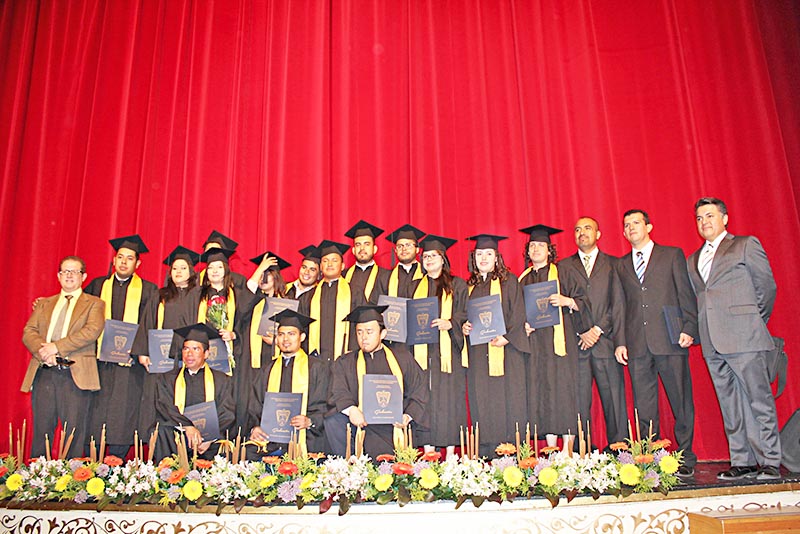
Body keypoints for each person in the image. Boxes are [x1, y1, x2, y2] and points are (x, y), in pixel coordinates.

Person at [688, 197, 781, 480]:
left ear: (725, 218)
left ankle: (769, 460)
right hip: (712, 342)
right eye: (700, 218)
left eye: (710, 216)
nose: (705, 222)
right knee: (729, 403)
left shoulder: (744, 244)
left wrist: (752, 320)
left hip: (745, 337)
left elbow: (766, 286)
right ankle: (741, 460)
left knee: (758, 400)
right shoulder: (694, 259)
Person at [616, 209, 698, 478]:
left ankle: (685, 454)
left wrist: (689, 327)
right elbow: (620, 306)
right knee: (644, 404)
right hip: (637, 344)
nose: (631, 228)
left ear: (649, 227)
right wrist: (620, 341)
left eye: (636, 223)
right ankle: (651, 457)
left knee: (680, 400)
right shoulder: (621, 264)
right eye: (626, 225)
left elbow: (685, 292)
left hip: (671, 338)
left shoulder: (671, 254)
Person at [22, 256, 105, 459]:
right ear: (58, 276)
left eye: (74, 271)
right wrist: (44, 352)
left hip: (74, 374)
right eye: (64, 271)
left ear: (83, 276)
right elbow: (29, 331)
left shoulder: (95, 304)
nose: (69, 275)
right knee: (42, 429)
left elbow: (91, 331)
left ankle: (70, 484)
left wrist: (56, 348)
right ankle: (39, 480)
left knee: (74, 432)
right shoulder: (44, 303)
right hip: (45, 373)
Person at [84, 235, 158, 458]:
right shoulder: (97, 286)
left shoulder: (149, 290)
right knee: (96, 412)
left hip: (130, 364)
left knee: (123, 412)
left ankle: (116, 462)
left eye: (130, 258)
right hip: (99, 363)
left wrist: (137, 351)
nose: (124, 262)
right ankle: (91, 463)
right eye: (120, 258)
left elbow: (150, 324)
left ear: (138, 264)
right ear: (114, 260)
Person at [559, 217, 628, 449]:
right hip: (577, 345)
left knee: (614, 401)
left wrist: (597, 330)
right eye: (577, 229)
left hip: (606, 342)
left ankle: (620, 450)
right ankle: (582, 453)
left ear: (598, 234)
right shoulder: (563, 266)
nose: (582, 233)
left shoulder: (614, 264)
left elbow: (617, 305)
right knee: (578, 401)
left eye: (587, 228)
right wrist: (581, 332)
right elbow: (561, 308)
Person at [327, 305, 429, 458]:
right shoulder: (345, 362)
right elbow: (338, 391)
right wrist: (352, 410)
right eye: (359, 332)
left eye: (369, 332)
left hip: (393, 426)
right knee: (333, 421)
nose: (364, 338)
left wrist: (407, 416)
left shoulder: (403, 358)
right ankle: (350, 471)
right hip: (360, 424)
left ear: (383, 334)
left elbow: (419, 390)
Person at [461, 234, 528, 457]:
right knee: (482, 401)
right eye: (479, 254)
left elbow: (519, 314)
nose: (483, 258)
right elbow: (464, 317)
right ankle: (486, 455)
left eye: (488, 254)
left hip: (507, 353)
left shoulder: (510, 282)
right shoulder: (469, 286)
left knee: (509, 402)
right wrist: (465, 327)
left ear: (497, 257)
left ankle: (511, 456)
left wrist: (507, 338)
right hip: (479, 355)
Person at [517, 225, 587, 439]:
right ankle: (550, 449)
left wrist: (567, 301)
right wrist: (524, 326)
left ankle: (566, 450)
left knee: (564, 394)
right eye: (532, 246)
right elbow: (515, 313)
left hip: (561, 345)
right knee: (541, 394)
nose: (536, 249)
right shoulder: (522, 279)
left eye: (540, 245)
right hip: (536, 346)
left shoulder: (564, 272)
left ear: (549, 250)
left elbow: (584, 301)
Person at [131, 246, 202, 437]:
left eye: (183, 268)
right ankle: (158, 442)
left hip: (186, 358)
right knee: (159, 400)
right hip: (161, 357)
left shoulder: (199, 296)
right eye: (175, 268)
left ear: (191, 272)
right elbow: (147, 322)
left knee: (184, 399)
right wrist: (143, 352)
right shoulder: (160, 295)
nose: (178, 272)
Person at [412, 235, 468, 455]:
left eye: (433, 256)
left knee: (449, 401)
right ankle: (428, 452)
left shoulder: (457, 285)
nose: (428, 260)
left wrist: (450, 323)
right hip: (422, 354)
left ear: (443, 258)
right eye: (425, 256)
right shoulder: (414, 286)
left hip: (448, 354)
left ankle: (452, 455)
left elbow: (465, 313)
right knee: (424, 401)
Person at [246, 310, 330, 457]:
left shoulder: (317, 367)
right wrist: (255, 427)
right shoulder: (267, 369)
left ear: (302, 337)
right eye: (281, 334)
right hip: (271, 439)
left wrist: (310, 421)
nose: (285, 339)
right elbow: (255, 405)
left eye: (291, 334)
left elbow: (325, 405)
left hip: (307, 436)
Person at [153, 323, 235, 461]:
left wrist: (210, 438)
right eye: (185, 349)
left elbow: (226, 413)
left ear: (206, 354)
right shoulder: (167, 378)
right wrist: (187, 426)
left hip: (210, 440)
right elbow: (165, 406)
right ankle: (169, 477)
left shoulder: (221, 379)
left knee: (225, 439)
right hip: (180, 435)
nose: (189, 354)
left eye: (195, 349)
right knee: (162, 430)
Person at [198, 247, 257, 433]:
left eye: (219, 267)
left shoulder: (236, 295)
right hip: (206, 357)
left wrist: (234, 334)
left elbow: (246, 322)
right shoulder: (197, 295)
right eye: (210, 268)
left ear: (226, 270)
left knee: (230, 401)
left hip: (232, 358)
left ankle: (232, 443)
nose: (215, 271)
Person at [298, 240, 357, 362]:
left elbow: (360, 324)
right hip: (315, 360)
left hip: (346, 358)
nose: (329, 264)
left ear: (342, 266)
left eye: (334, 260)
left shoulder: (354, 292)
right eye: (325, 261)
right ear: (320, 267)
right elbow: (301, 328)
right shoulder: (308, 297)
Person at [343, 220, 390, 306]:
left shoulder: (387, 276)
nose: (362, 248)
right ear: (353, 250)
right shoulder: (343, 276)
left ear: (375, 249)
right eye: (358, 245)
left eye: (367, 244)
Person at [385, 224, 426, 298]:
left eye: (408, 245)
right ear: (395, 251)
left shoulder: (426, 274)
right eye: (400, 246)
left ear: (417, 249)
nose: (404, 249)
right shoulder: (386, 276)